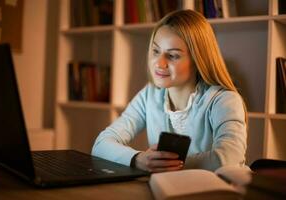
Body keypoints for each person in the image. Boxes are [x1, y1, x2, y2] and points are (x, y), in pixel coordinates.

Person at [92, 10, 247, 173]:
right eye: (156, 51)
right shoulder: (150, 94)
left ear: (197, 59)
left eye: (172, 55)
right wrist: (138, 159)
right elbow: (101, 144)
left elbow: (230, 158)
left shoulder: (224, 100)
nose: (159, 63)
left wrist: (165, 164)